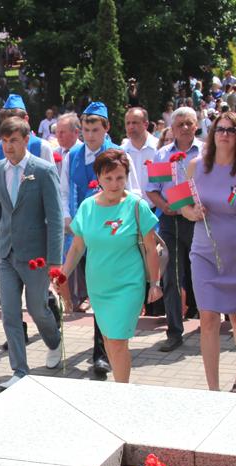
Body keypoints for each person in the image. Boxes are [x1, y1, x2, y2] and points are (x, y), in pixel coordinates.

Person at [58, 149, 163, 382]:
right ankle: (119, 386)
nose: (115, 184)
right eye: (108, 178)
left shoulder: (137, 206)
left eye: (120, 177)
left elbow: (149, 248)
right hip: (98, 287)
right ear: (99, 178)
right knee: (108, 340)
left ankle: (121, 392)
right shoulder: (87, 206)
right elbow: (77, 248)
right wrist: (63, 273)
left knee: (116, 341)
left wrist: (154, 283)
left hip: (128, 285)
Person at [181, 112, 236, 392]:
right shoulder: (194, 166)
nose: (225, 134)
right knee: (207, 318)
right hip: (204, 251)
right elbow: (181, 204)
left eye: (231, 130)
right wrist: (191, 212)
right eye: (220, 129)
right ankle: (213, 390)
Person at [0, 116, 64, 390]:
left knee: (37, 308)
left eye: (14, 141)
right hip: (6, 254)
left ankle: (54, 340)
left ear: (26, 140)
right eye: (5, 141)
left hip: (36, 256)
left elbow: (55, 217)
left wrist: (55, 259)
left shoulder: (43, 170)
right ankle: (20, 370)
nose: (9, 147)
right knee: (9, 312)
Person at [61, 102, 133, 378]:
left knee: (107, 293)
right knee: (94, 291)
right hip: (85, 231)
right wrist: (68, 216)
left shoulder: (117, 155)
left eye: (95, 129)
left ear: (106, 129)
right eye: (86, 129)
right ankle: (103, 349)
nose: (90, 135)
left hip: (113, 234)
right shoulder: (73, 155)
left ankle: (103, 353)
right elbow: (65, 189)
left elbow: (132, 189)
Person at [146, 107, 205, 352]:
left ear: (196, 125)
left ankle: (209, 324)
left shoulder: (206, 153)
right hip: (170, 221)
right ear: (171, 128)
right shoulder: (161, 155)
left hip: (199, 220)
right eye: (179, 124)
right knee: (172, 275)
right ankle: (174, 331)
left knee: (203, 273)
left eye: (188, 123)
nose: (183, 128)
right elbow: (152, 189)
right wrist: (164, 206)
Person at [120, 107, 160, 195]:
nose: (130, 127)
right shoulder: (121, 152)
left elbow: (166, 183)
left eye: (134, 123)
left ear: (146, 124)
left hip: (156, 207)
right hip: (130, 206)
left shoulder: (159, 149)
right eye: (128, 123)